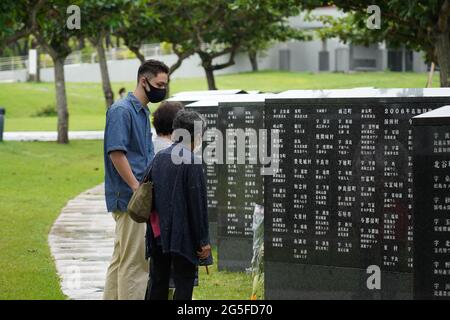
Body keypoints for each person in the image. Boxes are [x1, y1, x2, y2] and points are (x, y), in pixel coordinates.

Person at [103, 59, 169, 300]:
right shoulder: (122, 110)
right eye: (160, 84)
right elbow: (116, 152)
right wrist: (136, 188)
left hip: (136, 196)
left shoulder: (141, 111)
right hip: (132, 198)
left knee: (121, 260)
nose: (163, 89)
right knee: (136, 265)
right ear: (144, 81)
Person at [146, 110, 211, 300]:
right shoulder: (193, 162)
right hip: (182, 237)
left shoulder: (159, 157)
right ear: (197, 136)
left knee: (158, 281)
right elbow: (197, 206)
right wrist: (203, 241)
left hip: (158, 234)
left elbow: (146, 191)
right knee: (184, 283)